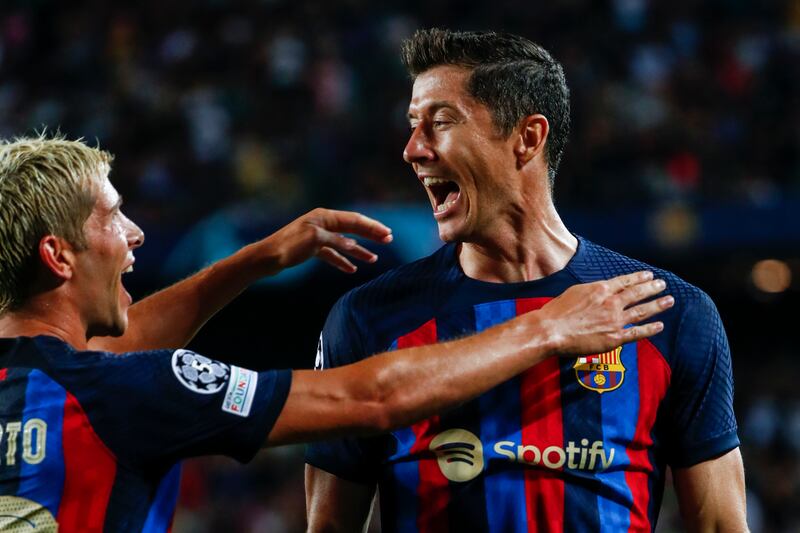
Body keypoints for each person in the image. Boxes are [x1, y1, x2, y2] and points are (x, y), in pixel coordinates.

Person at [0, 135, 670, 532]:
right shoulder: (128, 391)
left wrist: (259, 259)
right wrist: (546, 326)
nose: (135, 233)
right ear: (59, 257)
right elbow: (369, 398)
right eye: (114, 218)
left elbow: (100, 357)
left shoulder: (66, 383)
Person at [304, 28, 746, 532]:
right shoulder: (368, 319)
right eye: (412, 124)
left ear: (528, 138)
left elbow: (719, 525)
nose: (412, 149)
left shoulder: (669, 314)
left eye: (440, 122)